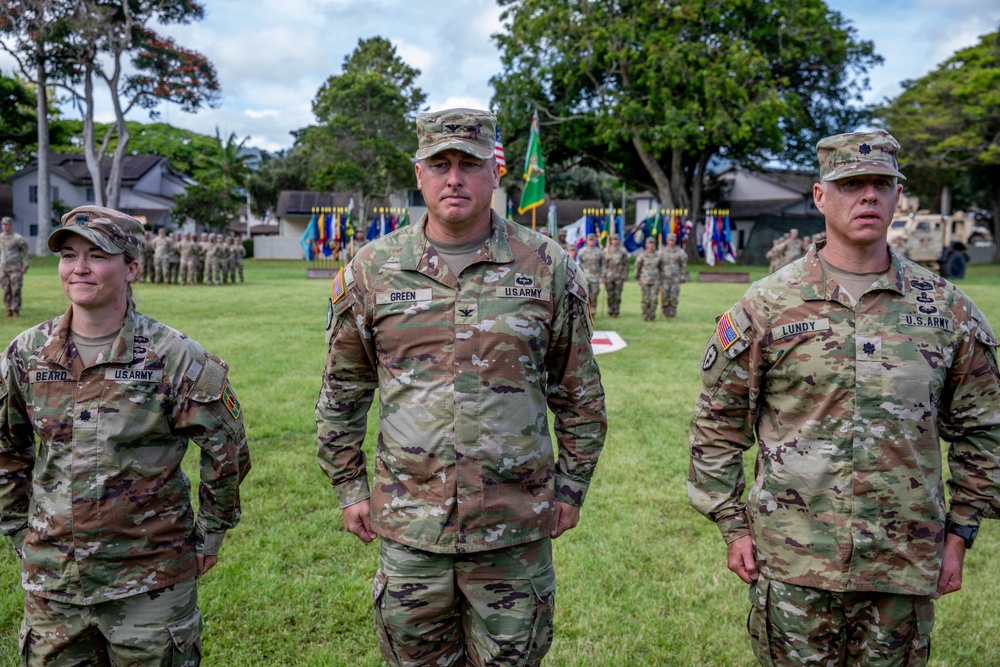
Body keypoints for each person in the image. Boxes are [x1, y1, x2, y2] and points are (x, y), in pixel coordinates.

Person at [688, 130, 1000, 667]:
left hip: (902, 563)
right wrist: (730, 523)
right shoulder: (768, 305)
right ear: (819, 196)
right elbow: (717, 422)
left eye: (882, 184)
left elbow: (983, 428)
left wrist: (961, 532)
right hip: (792, 562)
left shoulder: (948, 310)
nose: (869, 197)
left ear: (898, 196)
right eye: (852, 184)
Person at [316, 108, 607, 667]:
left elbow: (579, 394)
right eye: (440, 164)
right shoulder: (371, 270)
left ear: (494, 174)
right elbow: (342, 391)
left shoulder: (548, 267)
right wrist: (350, 488)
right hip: (409, 529)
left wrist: (571, 490)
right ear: (419, 174)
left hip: (514, 529)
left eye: (469, 164)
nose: (455, 179)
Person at [0, 205, 251, 665]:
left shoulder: (174, 356)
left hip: (151, 584)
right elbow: (6, 450)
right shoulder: (26, 354)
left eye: (97, 255)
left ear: (132, 266)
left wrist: (210, 534)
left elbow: (227, 447)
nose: (79, 268)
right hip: (53, 586)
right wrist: (20, 531)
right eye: (69, 254)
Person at [0, 216, 30, 317]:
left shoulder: (18, 239)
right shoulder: (0, 238)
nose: (5, 227)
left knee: (16, 289)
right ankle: (8, 309)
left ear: (11, 225)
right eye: (3, 224)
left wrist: (25, 266)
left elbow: (26, 253)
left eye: (7, 224)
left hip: (16, 269)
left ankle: (16, 310)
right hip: (3, 268)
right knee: (5, 290)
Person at [634, 236, 663, 321]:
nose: (651, 245)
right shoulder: (642, 255)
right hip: (645, 280)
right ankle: (645, 315)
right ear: (646, 244)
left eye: (652, 243)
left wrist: (661, 280)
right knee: (645, 299)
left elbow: (661, 268)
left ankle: (652, 316)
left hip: (655, 280)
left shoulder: (658, 256)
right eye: (649, 243)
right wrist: (638, 278)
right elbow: (638, 268)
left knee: (653, 299)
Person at [658, 232, 687, 318]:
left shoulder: (680, 252)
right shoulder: (662, 251)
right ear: (667, 240)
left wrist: (682, 276)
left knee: (674, 296)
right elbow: (658, 265)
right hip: (664, 278)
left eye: (673, 240)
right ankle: (665, 312)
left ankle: (672, 313)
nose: (671, 242)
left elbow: (683, 265)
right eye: (670, 240)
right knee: (665, 295)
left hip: (675, 278)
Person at [577, 232, 604, 312]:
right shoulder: (581, 252)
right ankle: (585, 312)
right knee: (584, 295)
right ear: (587, 241)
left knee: (594, 294)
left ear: (595, 240)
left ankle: (593, 311)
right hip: (584, 277)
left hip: (595, 277)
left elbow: (603, 265)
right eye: (590, 240)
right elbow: (579, 264)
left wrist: (602, 276)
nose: (591, 241)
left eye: (593, 240)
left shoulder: (599, 252)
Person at [603, 233, 629, 318]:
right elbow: (603, 264)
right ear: (611, 241)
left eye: (616, 239)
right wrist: (603, 276)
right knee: (610, 295)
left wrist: (625, 275)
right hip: (609, 276)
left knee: (618, 295)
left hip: (619, 276)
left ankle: (617, 311)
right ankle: (610, 310)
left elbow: (626, 264)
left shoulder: (622, 251)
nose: (615, 241)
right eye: (613, 239)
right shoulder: (606, 250)